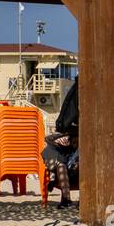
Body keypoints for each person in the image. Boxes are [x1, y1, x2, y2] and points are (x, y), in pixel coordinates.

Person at [43, 77, 79, 208]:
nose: (75, 142)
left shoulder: (82, 149)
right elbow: (48, 139)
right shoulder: (66, 145)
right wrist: (64, 136)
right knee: (60, 165)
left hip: (80, 172)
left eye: (77, 140)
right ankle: (65, 199)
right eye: (73, 140)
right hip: (66, 171)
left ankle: (79, 200)